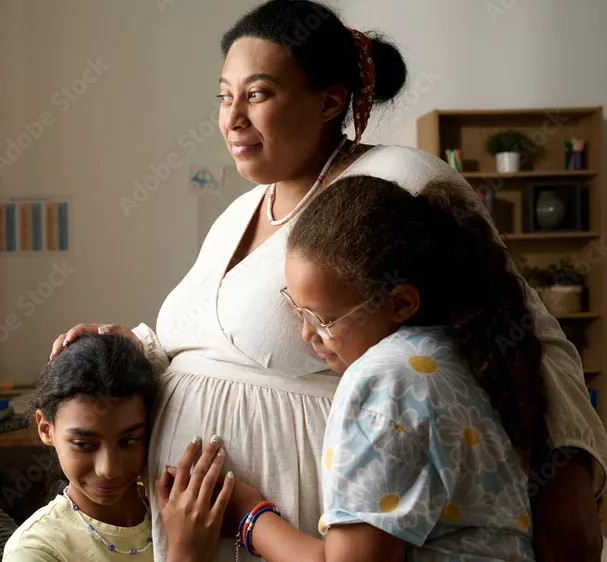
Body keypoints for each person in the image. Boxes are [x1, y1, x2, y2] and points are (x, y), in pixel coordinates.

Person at [50, 1, 607, 560]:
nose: (232, 117)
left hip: (313, 531)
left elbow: (524, 331)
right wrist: (139, 349)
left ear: (329, 100)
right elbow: (210, 343)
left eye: (258, 93)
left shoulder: (397, 180)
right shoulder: (237, 214)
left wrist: (566, 499)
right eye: (224, 95)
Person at [209, 174, 545, 560]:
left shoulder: (385, 381)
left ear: (400, 303)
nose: (306, 334)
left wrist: (251, 517)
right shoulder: (465, 354)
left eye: (324, 319)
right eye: (297, 309)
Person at [3, 334, 159, 561]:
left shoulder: (174, 512)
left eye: (130, 440)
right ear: (46, 429)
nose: (108, 469)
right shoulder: (35, 551)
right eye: (84, 444)